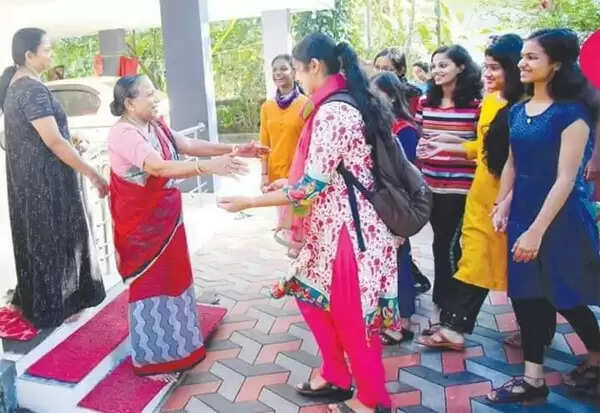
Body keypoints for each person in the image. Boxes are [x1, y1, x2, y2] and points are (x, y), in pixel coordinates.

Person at [218, 33, 399, 413]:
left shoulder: (334, 111)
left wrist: (251, 201)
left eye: (298, 70)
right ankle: (336, 373)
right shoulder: (339, 102)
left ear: (314, 67)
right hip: (333, 230)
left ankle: (370, 400)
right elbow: (330, 172)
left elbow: (311, 186)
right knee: (309, 296)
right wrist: (288, 183)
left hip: (350, 233)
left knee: (353, 320)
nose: (297, 78)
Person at [107, 75, 267, 375]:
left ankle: (182, 347)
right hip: (142, 229)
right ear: (129, 103)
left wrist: (235, 149)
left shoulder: (155, 125)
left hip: (167, 218)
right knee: (152, 283)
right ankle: (155, 355)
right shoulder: (124, 133)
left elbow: (189, 144)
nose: (156, 98)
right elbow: (157, 167)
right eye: (149, 94)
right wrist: (208, 167)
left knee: (174, 277)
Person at [488, 28, 600, 404]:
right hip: (523, 213)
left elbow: (566, 179)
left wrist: (536, 231)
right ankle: (533, 379)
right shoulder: (518, 111)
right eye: (522, 56)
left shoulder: (573, 115)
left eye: (532, 57)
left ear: (556, 65)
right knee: (526, 296)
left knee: (566, 296)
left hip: (560, 218)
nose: (522, 63)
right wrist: (503, 203)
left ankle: (597, 357)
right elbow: (512, 163)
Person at [416, 34, 526, 350]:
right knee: (478, 261)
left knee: (511, 266)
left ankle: (544, 332)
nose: (487, 74)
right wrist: (448, 144)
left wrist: (506, 200)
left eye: (495, 68)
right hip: (479, 196)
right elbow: (484, 147)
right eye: (486, 66)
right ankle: (454, 327)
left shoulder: (523, 108)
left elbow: (515, 159)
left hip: (503, 200)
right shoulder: (491, 101)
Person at [0, 28, 107, 328]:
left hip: (31, 180)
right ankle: (60, 308)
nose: (51, 55)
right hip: (46, 182)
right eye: (46, 50)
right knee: (55, 241)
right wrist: (92, 172)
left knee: (39, 240)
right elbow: (54, 141)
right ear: (29, 55)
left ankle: (46, 305)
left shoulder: (17, 85)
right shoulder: (30, 89)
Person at [415, 45, 482, 333]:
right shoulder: (425, 102)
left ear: (461, 67)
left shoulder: (475, 105)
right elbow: (421, 137)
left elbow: (481, 149)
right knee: (439, 243)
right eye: (434, 66)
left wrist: (449, 147)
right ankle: (444, 302)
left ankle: (450, 308)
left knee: (449, 246)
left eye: (443, 65)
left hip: (460, 188)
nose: (437, 71)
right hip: (430, 185)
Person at [371, 71, 418, 344]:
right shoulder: (381, 127)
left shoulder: (404, 130)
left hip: (398, 206)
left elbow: (406, 174)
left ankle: (403, 321)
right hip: (384, 204)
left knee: (400, 261)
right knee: (390, 262)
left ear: (390, 97)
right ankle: (392, 319)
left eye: (375, 93)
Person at [259, 54, 309, 257]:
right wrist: (263, 174)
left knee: (301, 221)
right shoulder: (267, 107)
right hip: (276, 175)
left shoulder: (306, 104)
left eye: (283, 69)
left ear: (294, 72)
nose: (278, 73)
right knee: (284, 222)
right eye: (275, 70)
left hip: (299, 177)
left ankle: (302, 255)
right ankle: (294, 265)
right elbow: (263, 144)